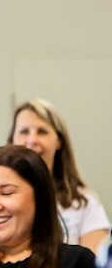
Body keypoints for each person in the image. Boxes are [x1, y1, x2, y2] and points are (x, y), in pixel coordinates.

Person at [10, 99, 109, 253]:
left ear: (59, 141)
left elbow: (95, 267)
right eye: (24, 131)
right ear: (12, 140)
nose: (32, 140)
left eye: (42, 131)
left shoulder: (85, 202)